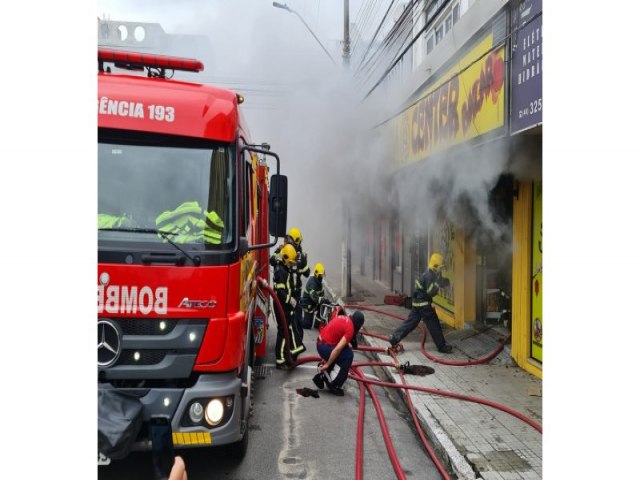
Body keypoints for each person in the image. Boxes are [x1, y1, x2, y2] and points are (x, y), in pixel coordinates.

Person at [389, 253, 453, 353]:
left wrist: (445, 282)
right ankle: (442, 346)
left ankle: (394, 337)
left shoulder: (432, 273)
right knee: (434, 324)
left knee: (411, 323)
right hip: (423, 304)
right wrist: (438, 283)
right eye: (440, 267)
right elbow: (430, 291)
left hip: (417, 303)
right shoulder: (429, 275)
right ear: (435, 266)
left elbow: (437, 282)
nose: (441, 269)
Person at [313, 310, 365, 396]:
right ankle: (334, 384)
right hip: (324, 347)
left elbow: (332, 335)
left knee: (344, 350)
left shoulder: (344, 318)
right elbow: (337, 349)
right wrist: (327, 363)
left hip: (321, 343)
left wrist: (325, 358)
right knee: (348, 356)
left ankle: (326, 374)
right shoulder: (350, 329)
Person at [270, 227, 310, 339]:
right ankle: (287, 345)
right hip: (284, 293)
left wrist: (300, 263)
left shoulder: (300, 256)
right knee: (285, 323)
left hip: (295, 292)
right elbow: (272, 260)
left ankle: (296, 344)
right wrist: (281, 256)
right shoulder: (283, 250)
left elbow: (307, 272)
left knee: (297, 320)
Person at [273, 244, 306, 369]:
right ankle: (280, 360)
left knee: (288, 329)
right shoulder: (280, 271)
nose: (291, 265)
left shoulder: (284, 268)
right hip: (282, 306)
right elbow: (280, 292)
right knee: (283, 331)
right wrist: (290, 300)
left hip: (285, 305)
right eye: (290, 262)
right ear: (285, 258)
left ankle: (289, 355)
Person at [301, 263, 326, 329]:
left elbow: (321, 294)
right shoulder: (312, 283)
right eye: (320, 275)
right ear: (316, 274)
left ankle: (317, 324)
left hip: (314, 304)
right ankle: (296, 320)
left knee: (323, 305)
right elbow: (314, 298)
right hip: (308, 305)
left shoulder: (319, 282)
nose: (322, 277)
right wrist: (324, 300)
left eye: (322, 275)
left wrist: (324, 300)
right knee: (307, 325)